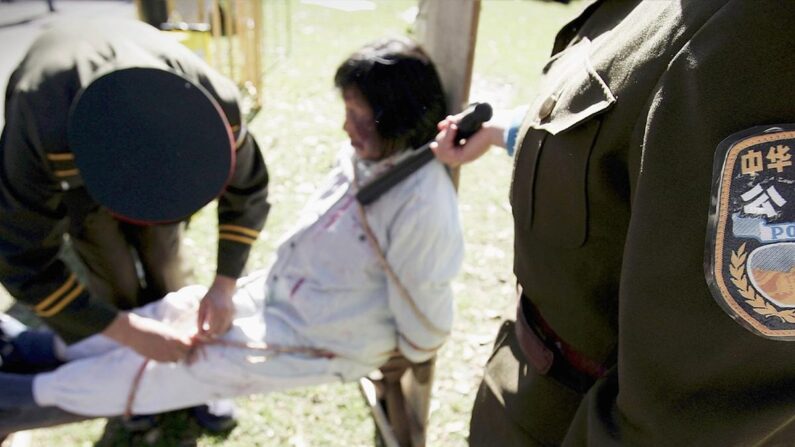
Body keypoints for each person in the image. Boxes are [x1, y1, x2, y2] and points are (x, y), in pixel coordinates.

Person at [0, 36, 464, 433]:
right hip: (284, 299)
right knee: (171, 312)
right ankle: (26, 349)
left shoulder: (423, 206)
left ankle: (16, 397)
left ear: (399, 118)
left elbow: (427, 312)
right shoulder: (371, 157)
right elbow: (21, 254)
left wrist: (412, 352)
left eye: (360, 118)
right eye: (347, 111)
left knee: (174, 366)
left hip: (325, 337)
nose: (347, 127)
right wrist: (223, 290)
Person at [431, 0, 795, 445]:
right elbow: (629, 129)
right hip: (532, 394)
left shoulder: (765, 30)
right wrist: (504, 131)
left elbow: (689, 418)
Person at [0, 19, 270, 429]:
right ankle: (133, 373)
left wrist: (224, 284)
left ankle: (189, 374)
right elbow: (20, 257)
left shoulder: (216, 109)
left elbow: (248, 189)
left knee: (165, 259)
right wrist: (128, 332)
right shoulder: (40, 124)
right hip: (78, 179)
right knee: (111, 271)